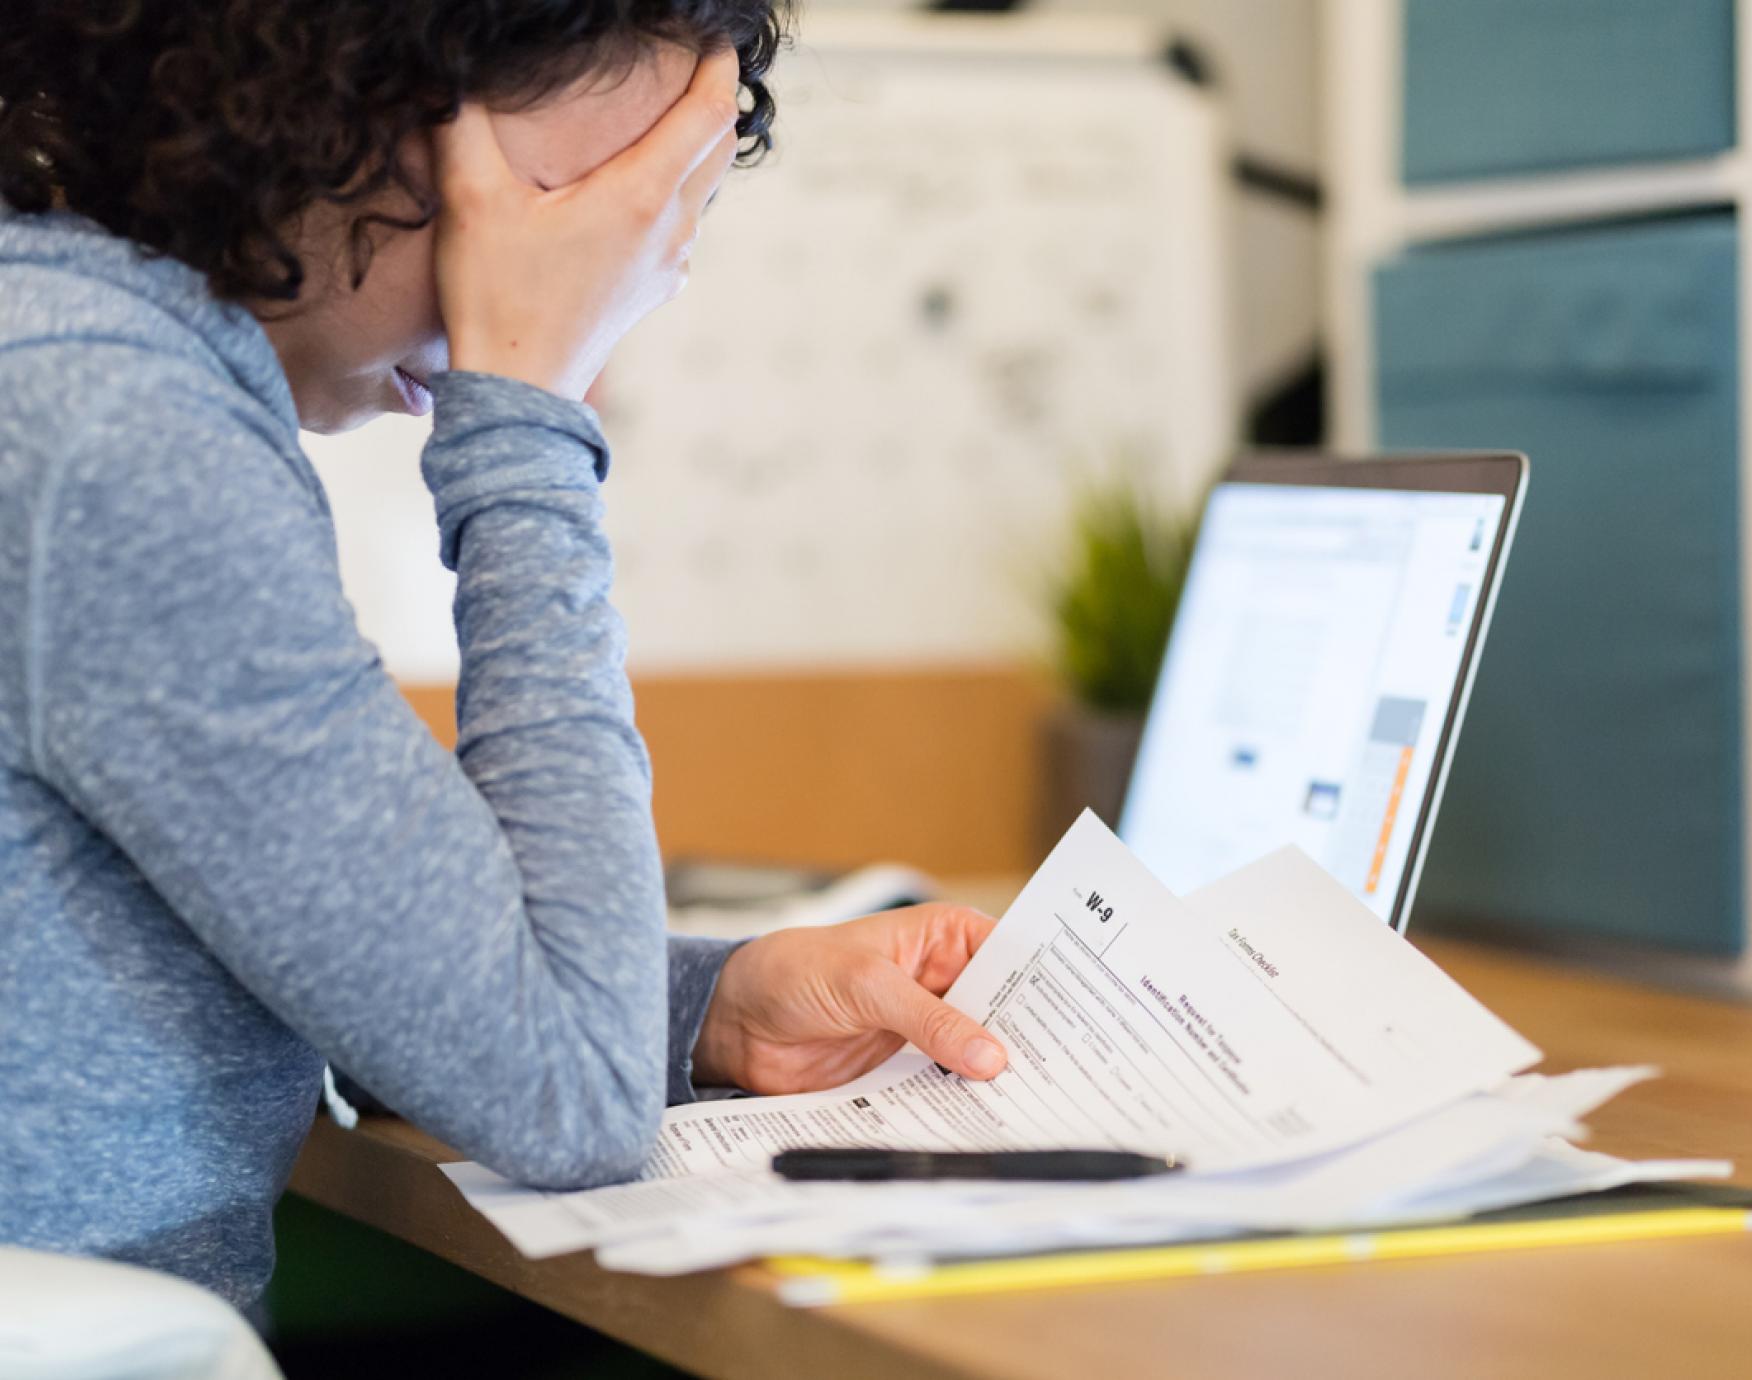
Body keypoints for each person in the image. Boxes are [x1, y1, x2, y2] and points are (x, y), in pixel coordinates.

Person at [0, 0, 1009, 1311]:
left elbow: (367, 959)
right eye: (563, 202)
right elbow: (564, 1096)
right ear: (343, 100)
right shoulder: (107, 429)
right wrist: (528, 410)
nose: (617, 278)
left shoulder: (74, 356)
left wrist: (707, 1007)